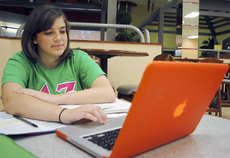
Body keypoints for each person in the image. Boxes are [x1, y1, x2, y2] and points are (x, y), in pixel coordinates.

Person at [1, 5, 116, 124]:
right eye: (49, 33)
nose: (58, 38)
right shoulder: (19, 61)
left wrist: (54, 99)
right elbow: (11, 100)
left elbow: (107, 93)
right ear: (34, 38)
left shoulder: (78, 58)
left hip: (77, 128)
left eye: (62, 31)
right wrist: (64, 114)